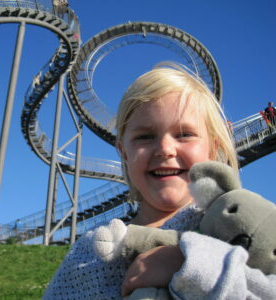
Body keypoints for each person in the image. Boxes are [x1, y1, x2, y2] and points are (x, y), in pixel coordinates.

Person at [43, 63, 276, 299]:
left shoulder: (239, 227)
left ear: (213, 148)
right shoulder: (90, 255)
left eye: (184, 134)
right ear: (124, 152)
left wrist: (190, 266)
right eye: (144, 137)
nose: (165, 149)